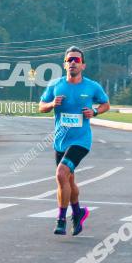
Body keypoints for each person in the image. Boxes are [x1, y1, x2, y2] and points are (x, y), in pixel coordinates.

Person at [37, 46, 110, 236]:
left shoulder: (92, 87)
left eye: (76, 60)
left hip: (81, 140)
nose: (72, 63)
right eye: (69, 60)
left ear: (83, 65)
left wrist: (94, 112)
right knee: (68, 180)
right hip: (61, 141)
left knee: (61, 173)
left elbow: (106, 104)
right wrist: (52, 104)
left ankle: (61, 219)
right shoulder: (56, 85)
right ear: (64, 64)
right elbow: (41, 107)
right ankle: (78, 213)